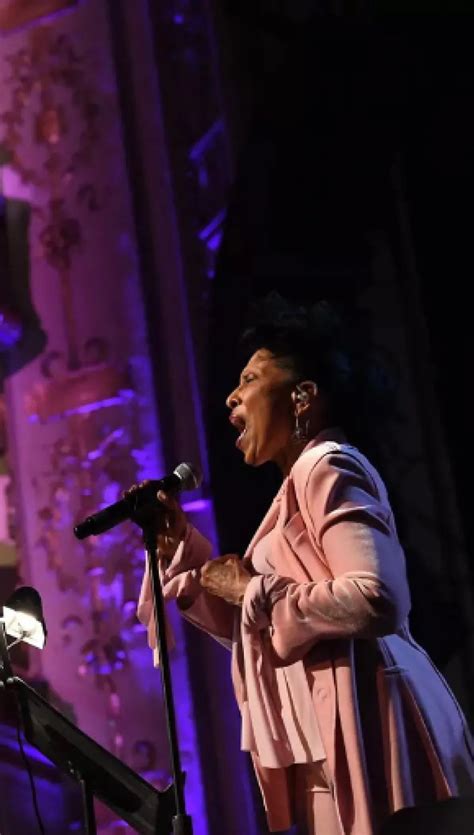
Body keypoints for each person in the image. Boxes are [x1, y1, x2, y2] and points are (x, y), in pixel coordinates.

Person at [136, 295, 474, 834]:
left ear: (302, 396)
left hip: (380, 736)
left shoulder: (328, 466)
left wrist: (252, 590)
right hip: (330, 745)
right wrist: (187, 550)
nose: (231, 396)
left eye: (250, 379)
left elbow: (376, 597)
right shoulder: (291, 491)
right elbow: (267, 627)